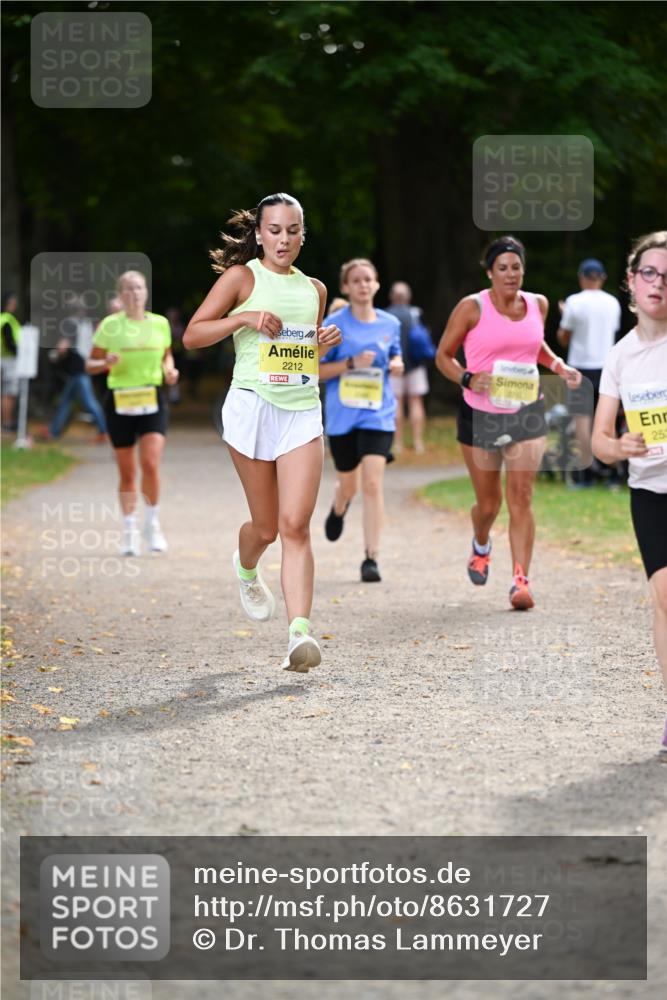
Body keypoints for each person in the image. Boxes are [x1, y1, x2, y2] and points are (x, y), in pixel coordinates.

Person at [183, 193, 341, 672]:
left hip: (300, 412)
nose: (283, 239)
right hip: (252, 409)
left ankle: (299, 635)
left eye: (293, 230)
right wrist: (244, 317)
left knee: (296, 526)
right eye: (274, 230)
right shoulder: (241, 278)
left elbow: (302, 354)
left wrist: (321, 343)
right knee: (267, 528)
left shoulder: (314, 289)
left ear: (302, 234)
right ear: (259, 233)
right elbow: (193, 335)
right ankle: (245, 566)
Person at [436, 236, 582, 610]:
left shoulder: (538, 304)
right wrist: (468, 378)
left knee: (522, 496)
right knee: (489, 504)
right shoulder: (471, 308)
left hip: (526, 410)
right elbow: (444, 356)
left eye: (516, 267)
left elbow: (534, 346)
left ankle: (520, 581)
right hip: (480, 413)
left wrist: (558, 365)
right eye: (502, 268)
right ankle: (481, 543)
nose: (510, 274)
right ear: (490, 273)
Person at [591, 231, 667, 761]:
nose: (658, 283)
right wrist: (619, 445)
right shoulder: (619, 357)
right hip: (650, 492)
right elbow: (597, 440)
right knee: (665, 598)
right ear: (630, 282)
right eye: (649, 273)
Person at [320, 258, 404, 582]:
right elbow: (316, 370)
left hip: (378, 413)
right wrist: (350, 364)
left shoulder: (389, 324)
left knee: (372, 482)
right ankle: (339, 505)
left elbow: (396, 354)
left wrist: (396, 362)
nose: (363, 285)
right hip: (343, 416)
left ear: (377, 284)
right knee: (350, 485)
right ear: (346, 287)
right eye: (356, 280)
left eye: (368, 279)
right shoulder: (334, 324)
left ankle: (371, 557)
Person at [86, 270, 178, 556]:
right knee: (127, 471)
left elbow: (166, 354)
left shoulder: (160, 324)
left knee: (150, 463)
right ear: (120, 295)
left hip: (152, 397)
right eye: (128, 289)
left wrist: (169, 370)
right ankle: (129, 530)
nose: (134, 293)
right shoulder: (109, 327)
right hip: (120, 399)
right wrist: (104, 364)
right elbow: (90, 364)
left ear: (146, 292)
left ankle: (152, 524)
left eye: (138, 288)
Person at [557, 258, 621, 485]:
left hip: (579, 368)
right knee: (607, 421)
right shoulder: (613, 302)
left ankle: (587, 472)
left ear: (582, 277)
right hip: (606, 367)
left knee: (582, 421)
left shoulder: (574, 302)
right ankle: (613, 470)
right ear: (602, 278)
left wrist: (565, 314)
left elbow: (563, 338)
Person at [42, 297, 108, 442]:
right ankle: (54, 431)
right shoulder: (86, 323)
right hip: (84, 366)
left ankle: (104, 430)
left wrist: (54, 355)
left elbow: (63, 346)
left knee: (89, 402)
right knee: (65, 401)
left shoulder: (71, 324)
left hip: (78, 368)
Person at [387, 281, 431, 454]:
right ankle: (418, 443)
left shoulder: (386, 315)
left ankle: (397, 444)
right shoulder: (416, 313)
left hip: (394, 365)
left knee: (396, 402)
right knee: (416, 401)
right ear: (408, 297)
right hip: (416, 364)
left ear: (392, 297)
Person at [1, 292, 21, 432]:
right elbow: (9, 343)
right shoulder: (8, 320)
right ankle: (7, 423)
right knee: (9, 393)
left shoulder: (2, 318)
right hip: (8, 360)